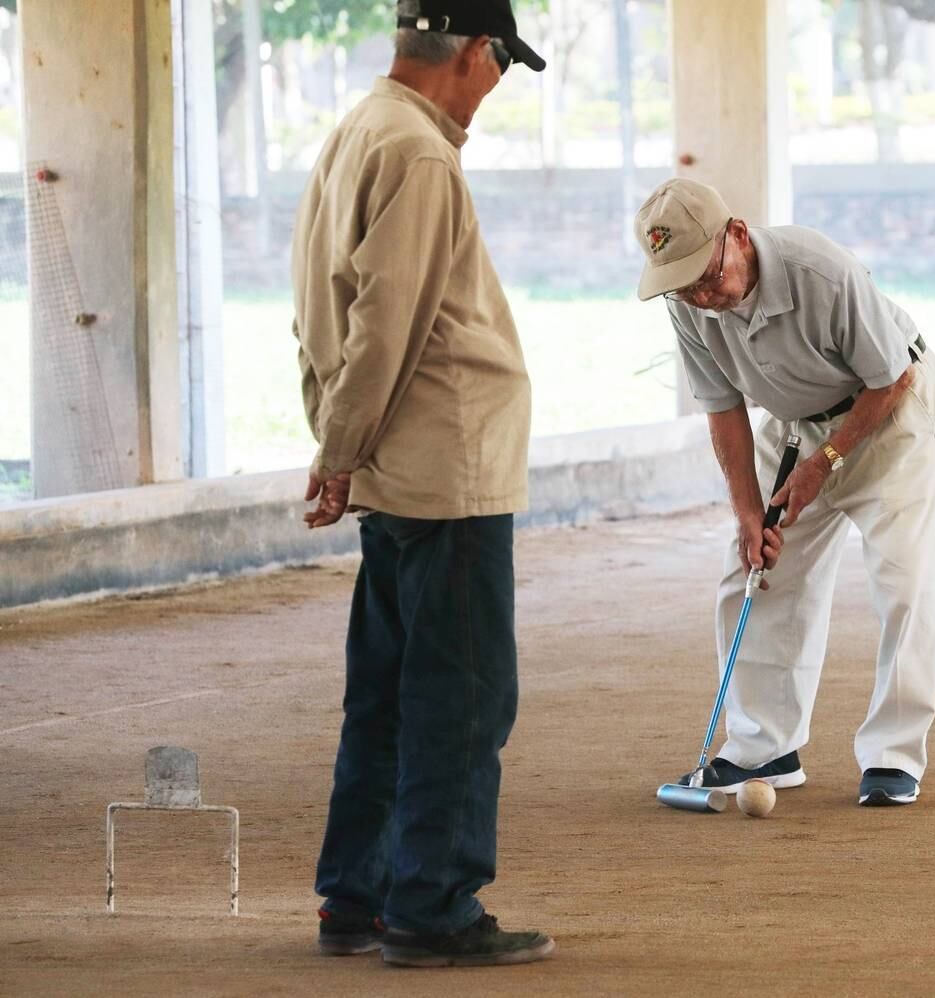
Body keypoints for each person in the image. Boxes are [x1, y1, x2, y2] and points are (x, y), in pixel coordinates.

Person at [291, 0, 554, 968]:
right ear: (475, 51)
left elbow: (318, 304)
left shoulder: (358, 128)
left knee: (389, 693)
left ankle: (356, 893)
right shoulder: (423, 156)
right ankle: (433, 904)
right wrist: (338, 449)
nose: (494, 89)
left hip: (398, 475)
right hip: (449, 473)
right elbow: (387, 321)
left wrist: (336, 438)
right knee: (463, 695)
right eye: (500, 67)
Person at [635, 178, 935, 807]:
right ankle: (763, 748)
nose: (699, 293)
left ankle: (893, 755)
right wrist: (748, 512)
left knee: (902, 578)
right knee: (752, 572)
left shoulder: (821, 272)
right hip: (793, 425)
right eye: (681, 282)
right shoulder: (690, 304)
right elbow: (721, 408)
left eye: (704, 273)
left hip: (890, 413)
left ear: (738, 235)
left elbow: (891, 379)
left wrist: (822, 465)